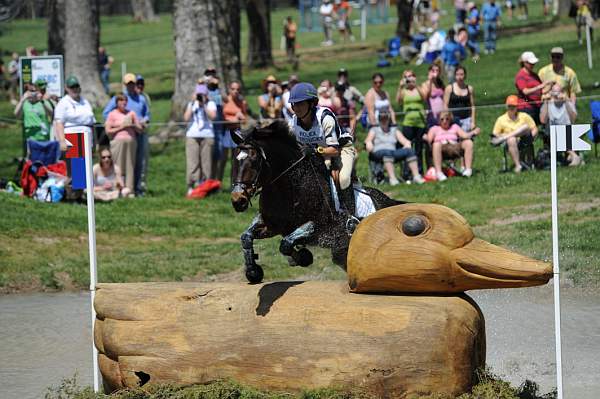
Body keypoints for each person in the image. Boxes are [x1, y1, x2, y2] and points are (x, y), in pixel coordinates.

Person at [288, 82, 357, 219]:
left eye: (301, 103)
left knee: (343, 179)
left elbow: (334, 150)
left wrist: (315, 150)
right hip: (317, 154)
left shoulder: (325, 118)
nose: (297, 108)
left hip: (341, 148)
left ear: (312, 103)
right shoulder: (294, 123)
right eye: (294, 104)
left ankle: (350, 214)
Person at [103, 73, 151, 196]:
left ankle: (137, 187)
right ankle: (118, 188)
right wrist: (119, 124)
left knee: (139, 162)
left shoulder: (141, 98)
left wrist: (143, 121)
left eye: (133, 84)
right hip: (121, 136)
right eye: (128, 84)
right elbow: (106, 114)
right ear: (124, 85)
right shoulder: (118, 98)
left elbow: (147, 114)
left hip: (138, 134)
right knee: (120, 164)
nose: (131, 86)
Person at [365, 110, 425, 185]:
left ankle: (416, 176)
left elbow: (404, 141)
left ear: (388, 119)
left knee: (410, 151)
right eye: (381, 119)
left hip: (393, 151)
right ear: (379, 119)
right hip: (378, 151)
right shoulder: (374, 130)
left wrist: (407, 144)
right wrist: (369, 143)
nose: (383, 120)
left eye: (385, 118)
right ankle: (393, 179)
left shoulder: (394, 130)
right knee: (387, 153)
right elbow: (368, 140)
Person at [104, 94, 143, 193]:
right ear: (117, 102)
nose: (123, 102)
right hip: (118, 142)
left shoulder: (131, 113)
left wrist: (133, 125)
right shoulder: (112, 114)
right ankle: (118, 189)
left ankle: (130, 190)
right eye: (121, 100)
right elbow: (108, 131)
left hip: (131, 141)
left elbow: (140, 130)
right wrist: (122, 127)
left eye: (125, 100)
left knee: (130, 166)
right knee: (118, 166)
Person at [184, 84, 217, 194]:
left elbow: (213, 117)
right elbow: (185, 119)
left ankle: (206, 186)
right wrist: (193, 104)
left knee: (206, 163)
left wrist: (204, 105)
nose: (200, 96)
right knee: (193, 162)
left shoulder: (211, 104)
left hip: (207, 135)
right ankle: (192, 185)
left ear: (207, 94)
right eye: (199, 94)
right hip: (192, 135)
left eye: (203, 94)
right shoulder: (192, 104)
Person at [491, 95, 538, 173]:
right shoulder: (501, 119)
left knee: (525, 127)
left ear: (517, 107)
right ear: (506, 106)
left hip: (525, 140)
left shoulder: (524, 116)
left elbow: (534, 129)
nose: (512, 108)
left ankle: (507, 137)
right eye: (510, 106)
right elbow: (495, 136)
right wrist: (505, 136)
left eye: (514, 106)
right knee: (511, 139)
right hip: (510, 144)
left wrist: (531, 138)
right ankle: (518, 165)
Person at [426, 110, 477, 180]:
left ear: (450, 120)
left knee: (469, 142)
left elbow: (465, 135)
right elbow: (428, 140)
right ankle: (439, 173)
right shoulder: (434, 129)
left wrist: (473, 132)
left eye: (447, 119)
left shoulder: (455, 127)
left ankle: (468, 170)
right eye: (442, 119)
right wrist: (424, 137)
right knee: (436, 144)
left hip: (454, 147)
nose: (444, 121)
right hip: (441, 148)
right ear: (438, 120)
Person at [540, 83, 582, 166]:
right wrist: (546, 103)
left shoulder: (567, 102)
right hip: (553, 131)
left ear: (562, 93)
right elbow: (543, 120)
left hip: (568, 129)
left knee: (565, 132)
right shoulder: (549, 103)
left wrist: (566, 101)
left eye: (558, 92)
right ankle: (574, 155)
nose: (556, 95)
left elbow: (573, 119)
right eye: (554, 92)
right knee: (557, 132)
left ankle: (572, 155)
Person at [54, 75, 96, 153]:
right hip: (71, 138)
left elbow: (92, 123)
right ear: (67, 88)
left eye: (76, 86)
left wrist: (95, 141)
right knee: (74, 163)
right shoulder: (63, 103)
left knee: (87, 163)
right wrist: (62, 141)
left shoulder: (85, 102)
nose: (74, 89)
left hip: (87, 138)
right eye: (72, 87)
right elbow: (59, 123)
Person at [396, 70, 427, 173]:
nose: (408, 78)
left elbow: (424, 97)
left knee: (418, 148)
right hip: (408, 122)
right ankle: (407, 172)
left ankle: (420, 171)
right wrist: (400, 87)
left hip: (420, 122)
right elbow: (399, 101)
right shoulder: (404, 91)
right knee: (408, 147)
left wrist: (415, 85)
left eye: (410, 76)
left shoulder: (419, 88)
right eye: (406, 77)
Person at [220, 80, 249, 182]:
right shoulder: (225, 101)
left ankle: (234, 182)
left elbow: (245, 120)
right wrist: (234, 119)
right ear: (229, 89)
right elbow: (222, 118)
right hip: (226, 132)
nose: (235, 91)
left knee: (235, 160)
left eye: (237, 89)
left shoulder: (242, 102)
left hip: (236, 132)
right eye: (233, 89)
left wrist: (241, 117)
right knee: (223, 159)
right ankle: (218, 182)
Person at [515, 51, 550, 125]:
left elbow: (542, 91)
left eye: (533, 63)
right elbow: (525, 91)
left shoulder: (534, 75)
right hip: (526, 107)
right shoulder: (521, 76)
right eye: (530, 63)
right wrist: (540, 86)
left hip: (538, 105)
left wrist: (551, 86)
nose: (533, 65)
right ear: (524, 63)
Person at [444, 66, 477, 133]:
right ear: (455, 75)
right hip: (453, 120)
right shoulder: (449, 88)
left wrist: (473, 122)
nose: (459, 77)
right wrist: (449, 118)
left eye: (461, 74)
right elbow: (445, 105)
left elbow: (473, 106)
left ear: (465, 75)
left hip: (467, 119)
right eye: (457, 74)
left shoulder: (469, 89)